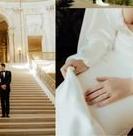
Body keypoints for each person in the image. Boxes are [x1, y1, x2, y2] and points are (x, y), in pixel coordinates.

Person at [57, 8, 133, 136]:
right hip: (114, 57)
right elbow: (101, 32)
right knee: (67, 97)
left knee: (95, 125)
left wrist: (130, 85)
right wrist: (84, 59)